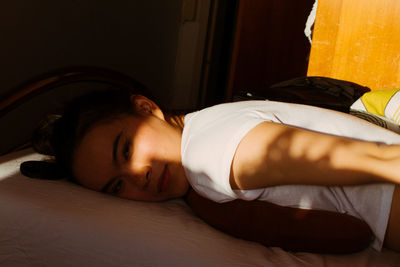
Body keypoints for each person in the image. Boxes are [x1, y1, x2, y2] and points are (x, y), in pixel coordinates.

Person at [30, 89, 400, 253]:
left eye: (126, 149)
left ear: (145, 107)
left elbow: (381, 160)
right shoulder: (205, 127)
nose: (137, 175)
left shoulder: (210, 153)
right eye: (116, 186)